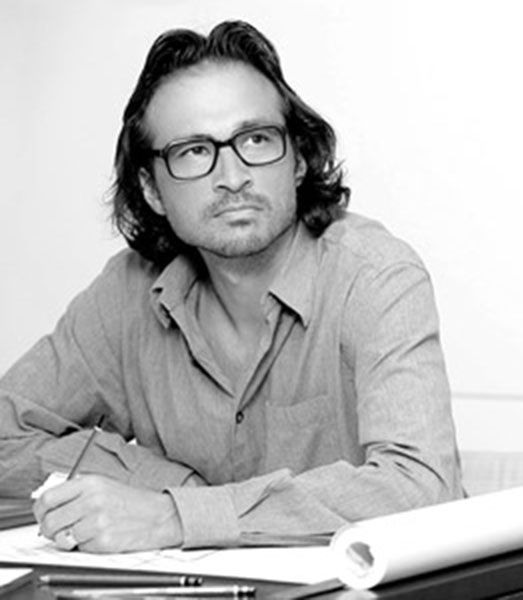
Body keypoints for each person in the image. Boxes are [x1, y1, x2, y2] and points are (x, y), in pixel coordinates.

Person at [0, 20, 463, 553]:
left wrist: (175, 515)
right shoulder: (126, 294)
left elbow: (421, 488)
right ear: (151, 189)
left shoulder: (376, 277)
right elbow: (7, 434)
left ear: (298, 158)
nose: (233, 176)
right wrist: (164, 481)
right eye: (194, 151)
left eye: (256, 139)